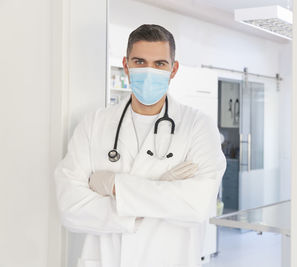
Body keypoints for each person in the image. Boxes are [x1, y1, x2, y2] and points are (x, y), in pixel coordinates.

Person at [54, 24, 227, 267]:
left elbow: (196, 206)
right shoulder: (94, 124)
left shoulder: (198, 126)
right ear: (126, 65)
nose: (149, 71)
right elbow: (70, 207)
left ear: (173, 69)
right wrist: (159, 195)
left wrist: (115, 186)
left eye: (159, 64)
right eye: (139, 61)